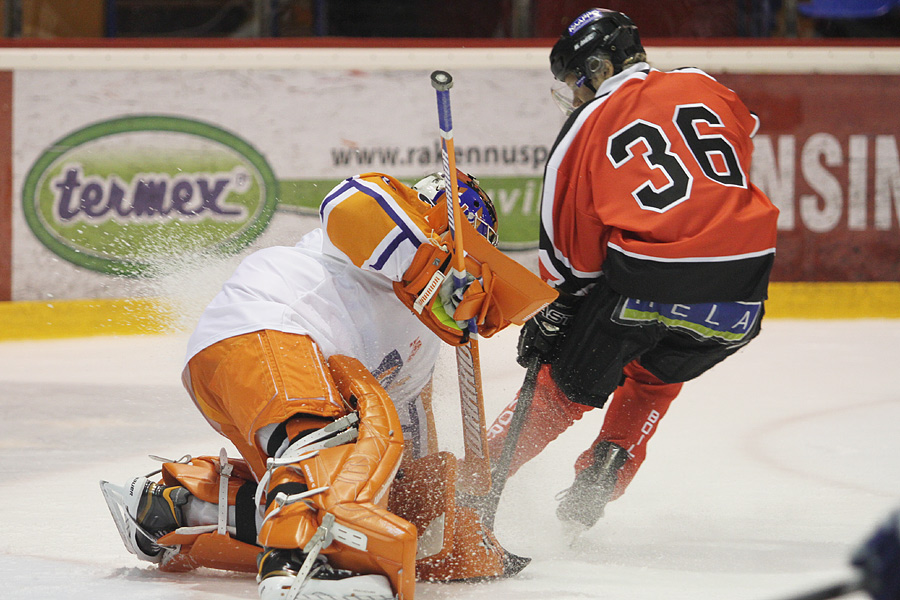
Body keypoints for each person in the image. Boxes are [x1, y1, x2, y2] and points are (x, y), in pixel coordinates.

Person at [100, 171, 546, 600]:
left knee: (363, 500)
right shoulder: (388, 222)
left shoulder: (424, 340)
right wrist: (435, 272)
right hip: (269, 332)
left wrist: (443, 513)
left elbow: (400, 439)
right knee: (331, 447)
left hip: (264, 379)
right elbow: (347, 206)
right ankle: (302, 566)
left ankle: (180, 507)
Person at [485, 8, 780, 534]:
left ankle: (469, 482)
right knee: (656, 376)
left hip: (647, 285)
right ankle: (609, 465)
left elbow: (570, 259)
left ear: (597, 67)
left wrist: (553, 318)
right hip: (743, 296)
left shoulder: (588, 122)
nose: (573, 97)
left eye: (574, 82)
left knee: (561, 389)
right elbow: (744, 129)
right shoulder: (703, 84)